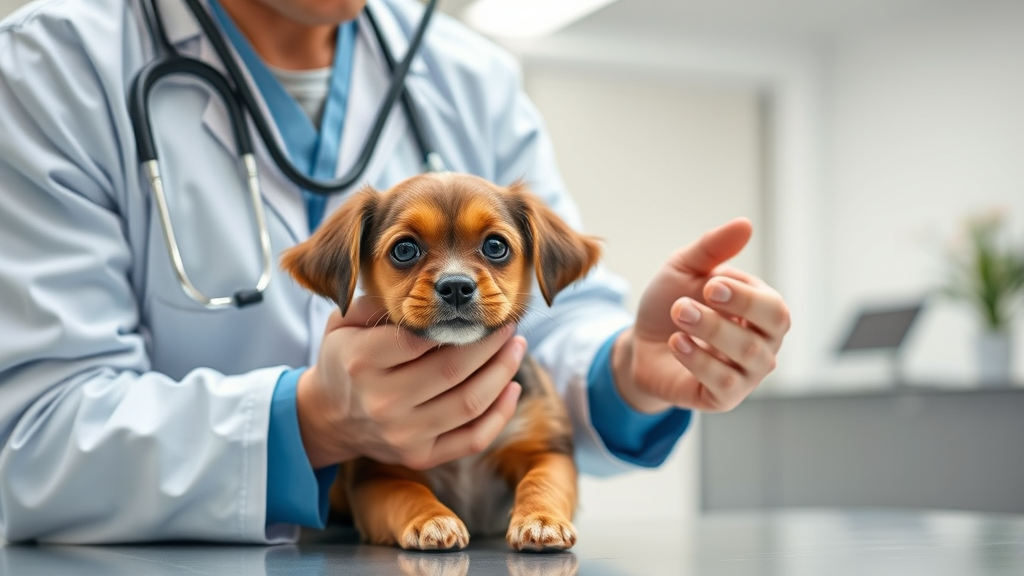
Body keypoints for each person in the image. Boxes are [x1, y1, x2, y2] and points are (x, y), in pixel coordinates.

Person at [0, 0, 790, 544]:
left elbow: (550, 325)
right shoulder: (53, 64)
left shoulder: (470, 73)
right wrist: (312, 422)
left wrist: (628, 370)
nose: (455, 277)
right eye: (408, 251)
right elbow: (31, 438)